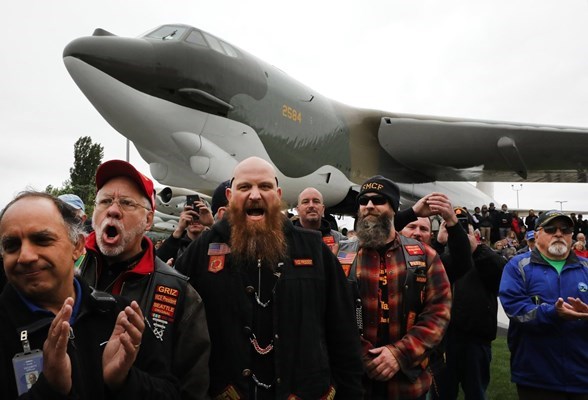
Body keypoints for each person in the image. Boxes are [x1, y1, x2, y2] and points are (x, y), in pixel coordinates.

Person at [175, 156, 364, 399]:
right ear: (231, 196)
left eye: (264, 187)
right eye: (245, 187)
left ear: (278, 195)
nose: (255, 195)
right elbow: (178, 328)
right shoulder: (202, 250)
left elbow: (343, 333)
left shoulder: (314, 250)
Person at [0, 191, 179, 400]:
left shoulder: (121, 315)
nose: (25, 256)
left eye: (42, 240)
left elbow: (170, 392)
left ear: (77, 246)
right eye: (12, 245)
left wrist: (124, 380)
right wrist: (49, 389)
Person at [78, 160, 210, 400]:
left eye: (127, 203)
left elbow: (192, 389)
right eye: (105, 201)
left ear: (148, 221)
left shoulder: (179, 292)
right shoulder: (68, 271)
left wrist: (126, 381)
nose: (113, 210)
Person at [337, 176, 451, 399]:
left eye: (378, 200)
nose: (369, 205)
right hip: (354, 383)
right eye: (363, 201)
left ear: (393, 208)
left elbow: (439, 313)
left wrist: (399, 354)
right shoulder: (340, 256)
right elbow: (328, 313)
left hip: (407, 385)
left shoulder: (424, 255)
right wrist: (363, 355)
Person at [499, 210, 588, 399]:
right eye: (550, 228)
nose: (558, 233)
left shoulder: (586, 267)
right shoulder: (517, 266)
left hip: (581, 375)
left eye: (565, 229)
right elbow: (515, 309)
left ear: (572, 235)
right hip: (535, 377)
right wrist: (553, 313)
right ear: (537, 233)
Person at [156, 196, 213, 266]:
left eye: (200, 213)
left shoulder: (214, 241)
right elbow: (157, 262)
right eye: (190, 213)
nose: (195, 219)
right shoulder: (175, 244)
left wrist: (212, 224)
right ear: (183, 216)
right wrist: (179, 229)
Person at [293, 187, 346, 254]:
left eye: (316, 201)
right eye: (305, 202)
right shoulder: (285, 240)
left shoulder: (339, 240)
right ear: (298, 210)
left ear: (323, 209)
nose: (311, 205)